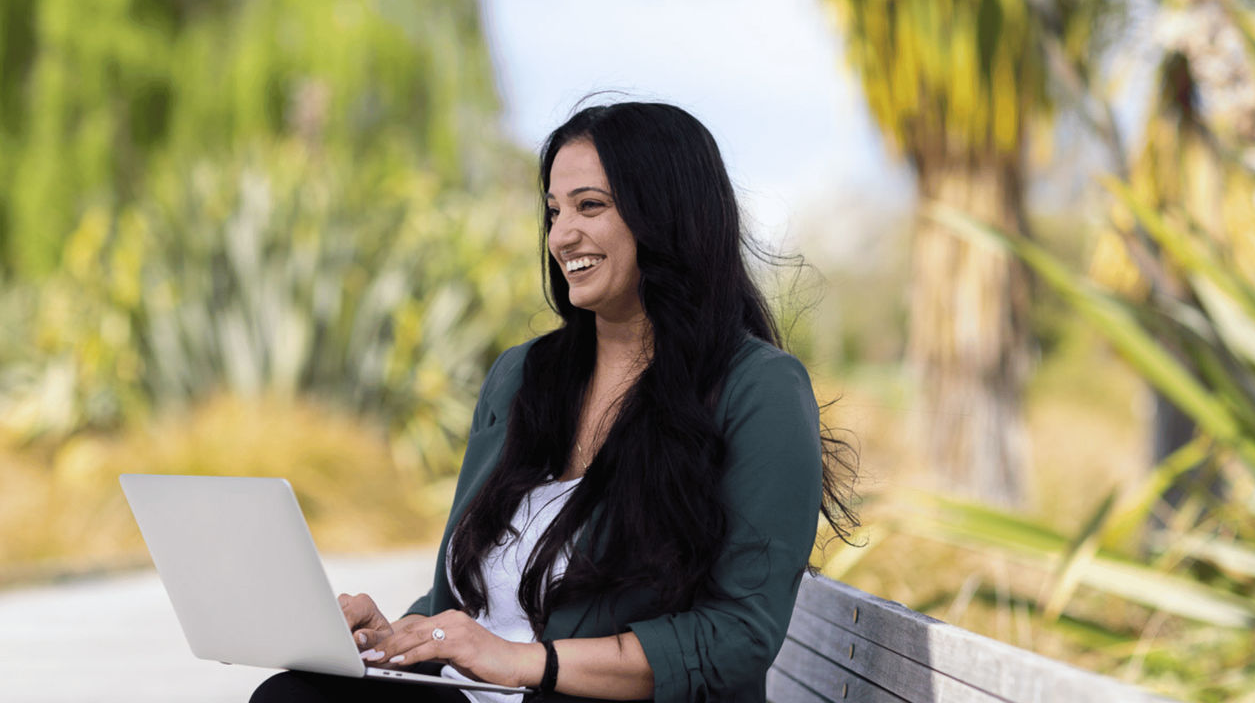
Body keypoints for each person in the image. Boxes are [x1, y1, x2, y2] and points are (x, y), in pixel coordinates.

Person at [251, 101, 856, 703]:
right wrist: (403, 636)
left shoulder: (758, 390)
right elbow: (469, 604)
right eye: (554, 209)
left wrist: (522, 662)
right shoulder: (522, 377)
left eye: (590, 205)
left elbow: (737, 636)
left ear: (668, 215)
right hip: (473, 694)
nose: (562, 234)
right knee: (293, 694)